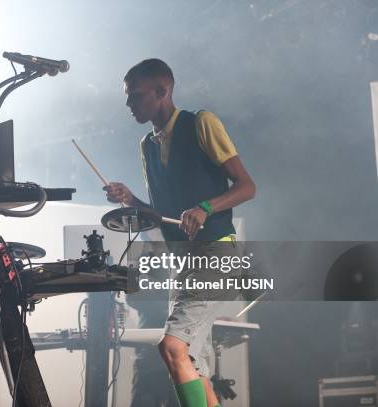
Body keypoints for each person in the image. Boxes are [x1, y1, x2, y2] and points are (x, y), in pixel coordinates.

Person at [104, 59, 256, 407]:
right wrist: (131, 200)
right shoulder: (147, 146)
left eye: (136, 96)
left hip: (215, 253)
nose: (129, 105)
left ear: (163, 91)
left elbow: (247, 187)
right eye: (127, 98)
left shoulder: (201, 123)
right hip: (184, 264)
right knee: (191, 363)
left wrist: (205, 207)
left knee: (172, 348)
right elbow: (163, 216)